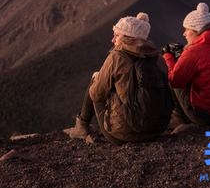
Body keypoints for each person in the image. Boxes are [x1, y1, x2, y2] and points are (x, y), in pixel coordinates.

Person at [63, 12, 172, 144]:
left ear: (128, 38)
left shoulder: (117, 57)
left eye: (117, 35)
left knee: (96, 81)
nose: (113, 40)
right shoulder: (158, 58)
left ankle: (82, 127)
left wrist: (99, 80)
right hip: (156, 130)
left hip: (122, 135)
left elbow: (96, 94)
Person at [162, 2, 210, 127]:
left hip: (206, 116)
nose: (184, 33)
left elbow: (175, 81)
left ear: (196, 31)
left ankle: (183, 121)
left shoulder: (194, 51)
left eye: (187, 29)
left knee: (173, 79)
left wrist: (168, 57)